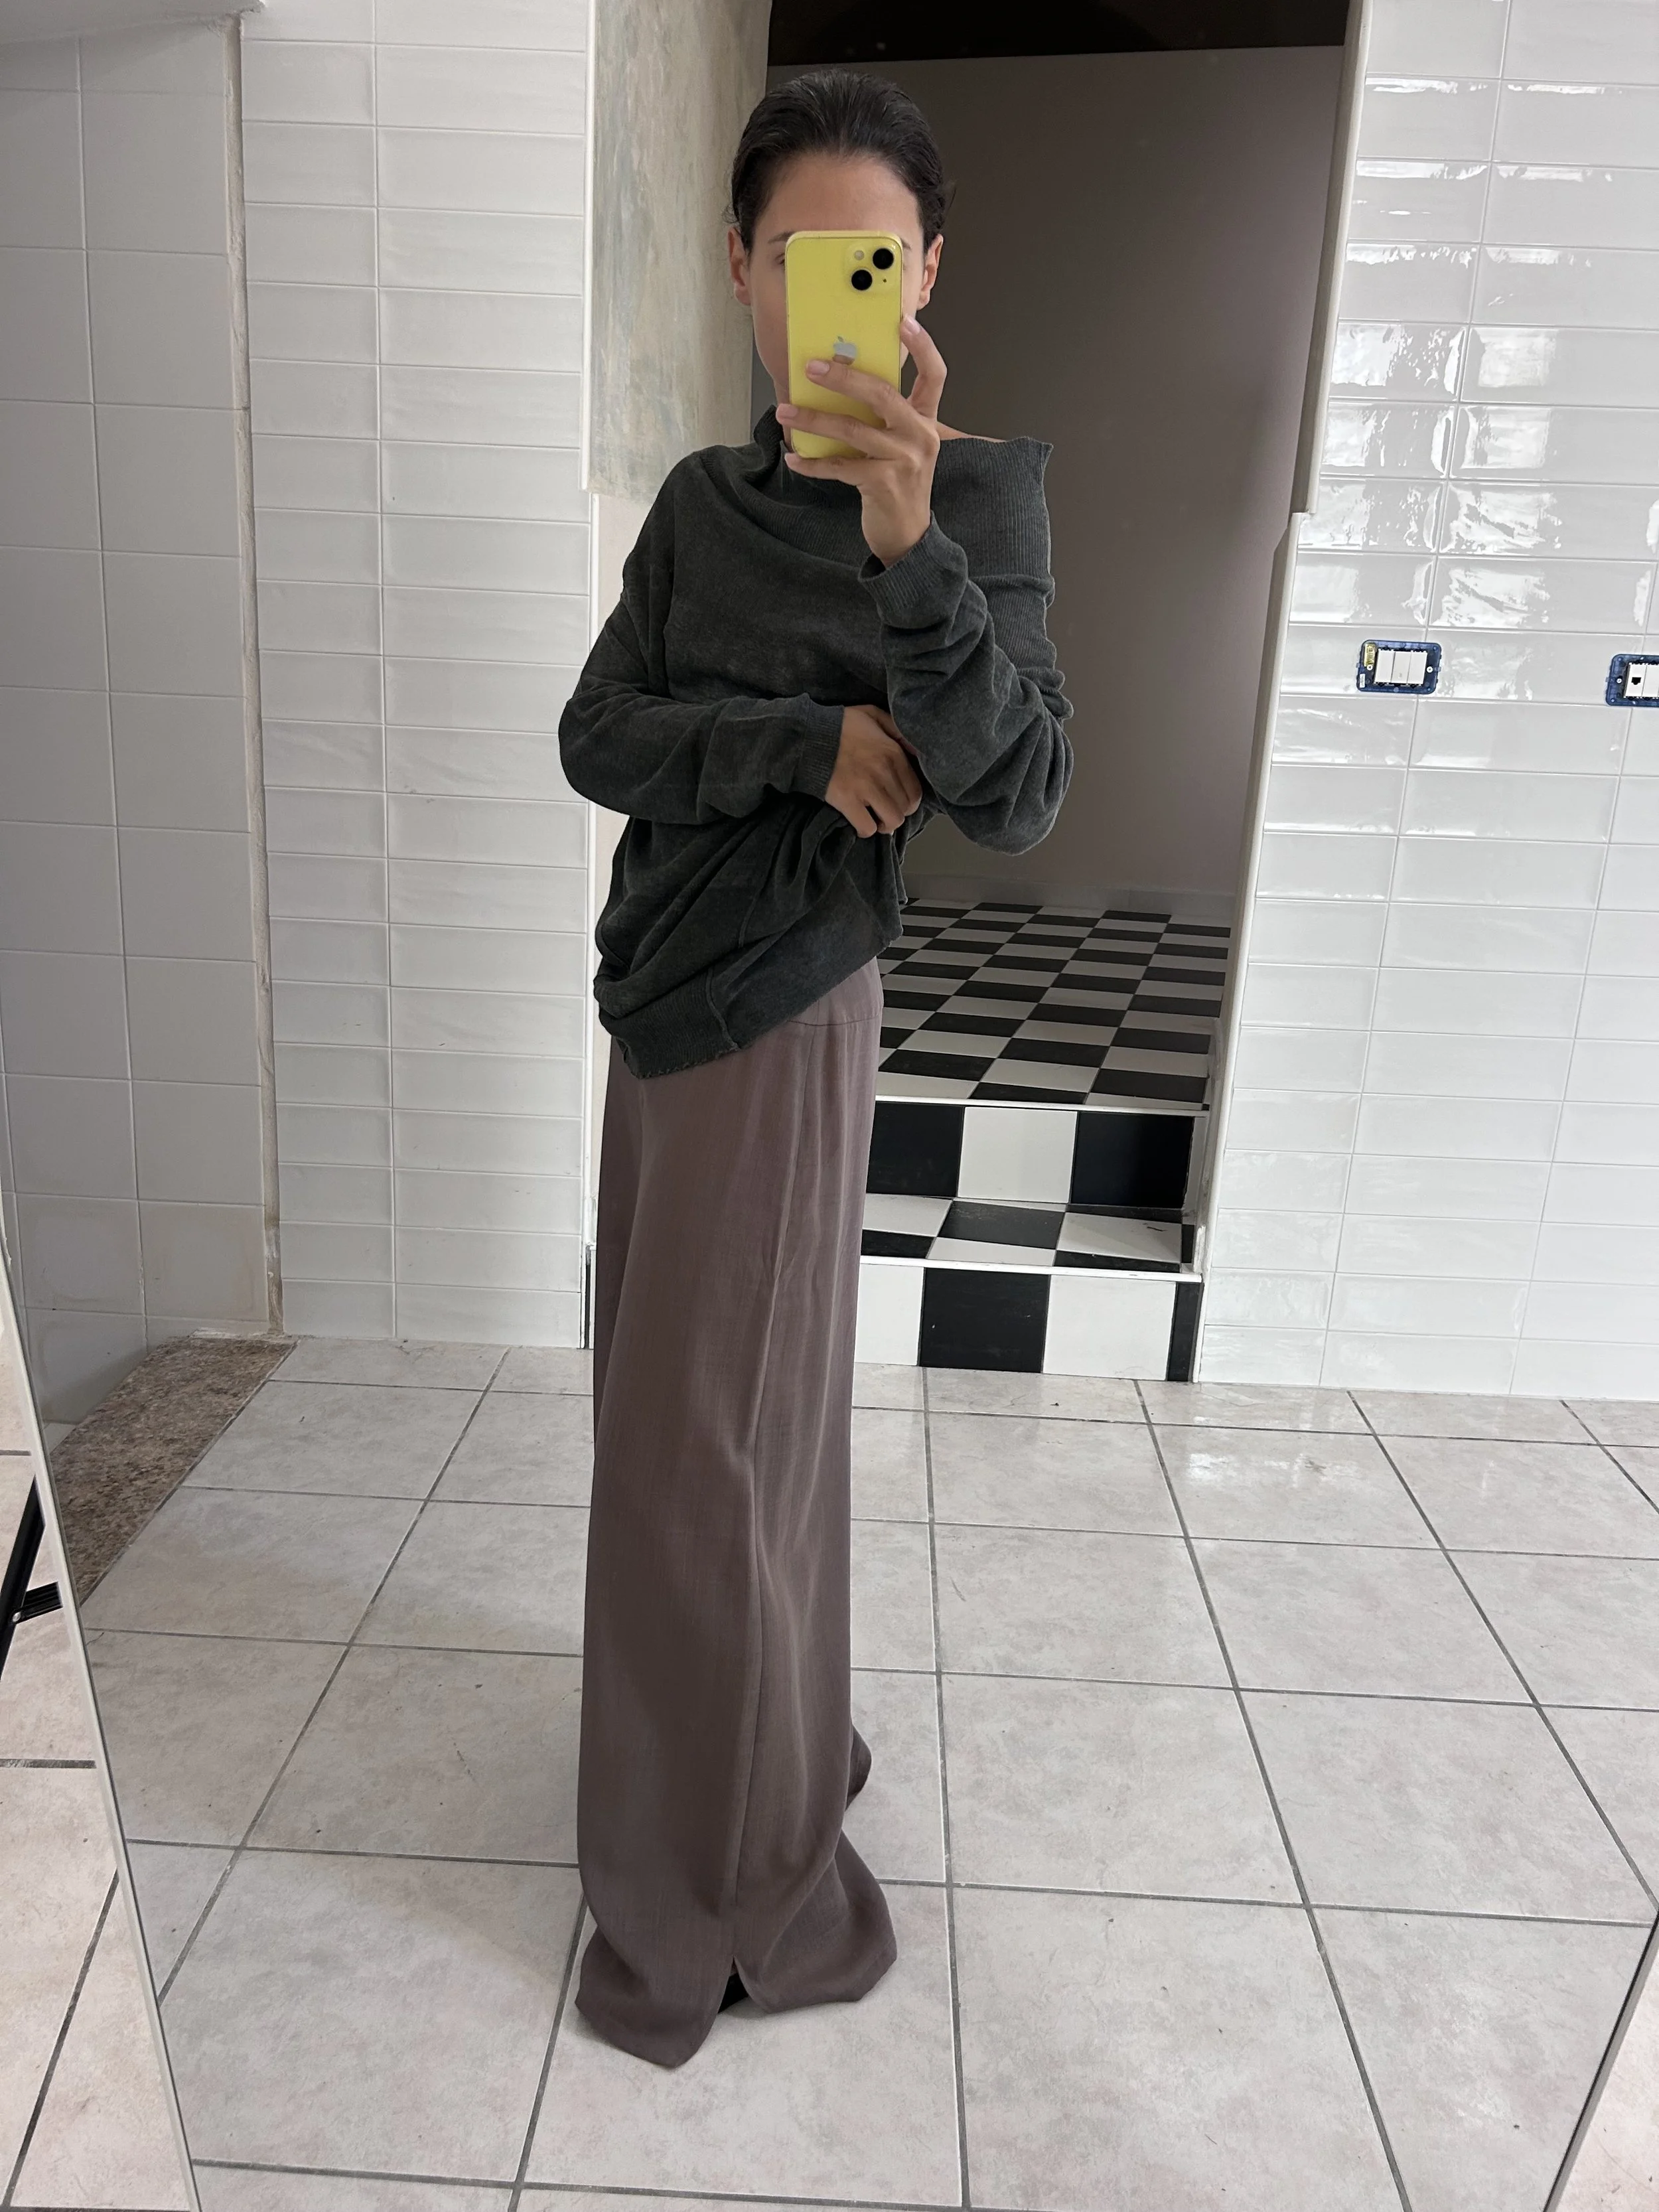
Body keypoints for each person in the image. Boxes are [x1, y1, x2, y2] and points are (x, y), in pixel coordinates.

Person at [557, 65, 1074, 2069]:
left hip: (786, 1006)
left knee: (706, 1452)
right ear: (740, 272)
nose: (827, 297)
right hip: (656, 998)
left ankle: (726, 1886)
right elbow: (600, 733)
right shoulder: (698, 507)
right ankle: (750, 1753)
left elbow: (1017, 791)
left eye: (871, 258)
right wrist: (795, 744)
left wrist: (907, 542)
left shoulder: (984, 498)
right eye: (795, 259)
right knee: (699, 1427)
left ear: (926, 273)